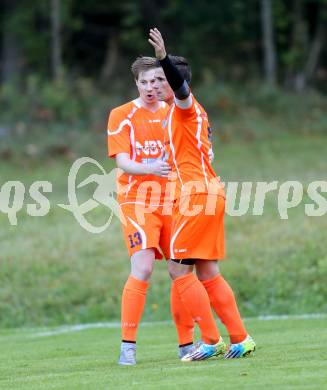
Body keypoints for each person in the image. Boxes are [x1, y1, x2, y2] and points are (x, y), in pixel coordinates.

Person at [149, 28, 256, 361]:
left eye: (161, 79)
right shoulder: (175, 114)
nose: (156, 85)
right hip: (204, 193)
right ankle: (241, 338)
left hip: (196, 197)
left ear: (175, 81)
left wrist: (164, 57)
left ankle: (210, 340)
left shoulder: (185, 105)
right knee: (208, 273)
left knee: (178, 271)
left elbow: (180, 88)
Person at [107, 56, 195, 365]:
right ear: (136, 84)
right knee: (142, 268)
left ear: (164, 82)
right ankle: (127, 346)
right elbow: (121, 161)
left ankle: (187, 345)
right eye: (143, 82)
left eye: (155, 81)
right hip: (137, 200)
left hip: (173, 200)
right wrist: (148, 167)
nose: (150, 88)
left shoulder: (175, 113)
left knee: (181, 269)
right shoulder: (121, 115)